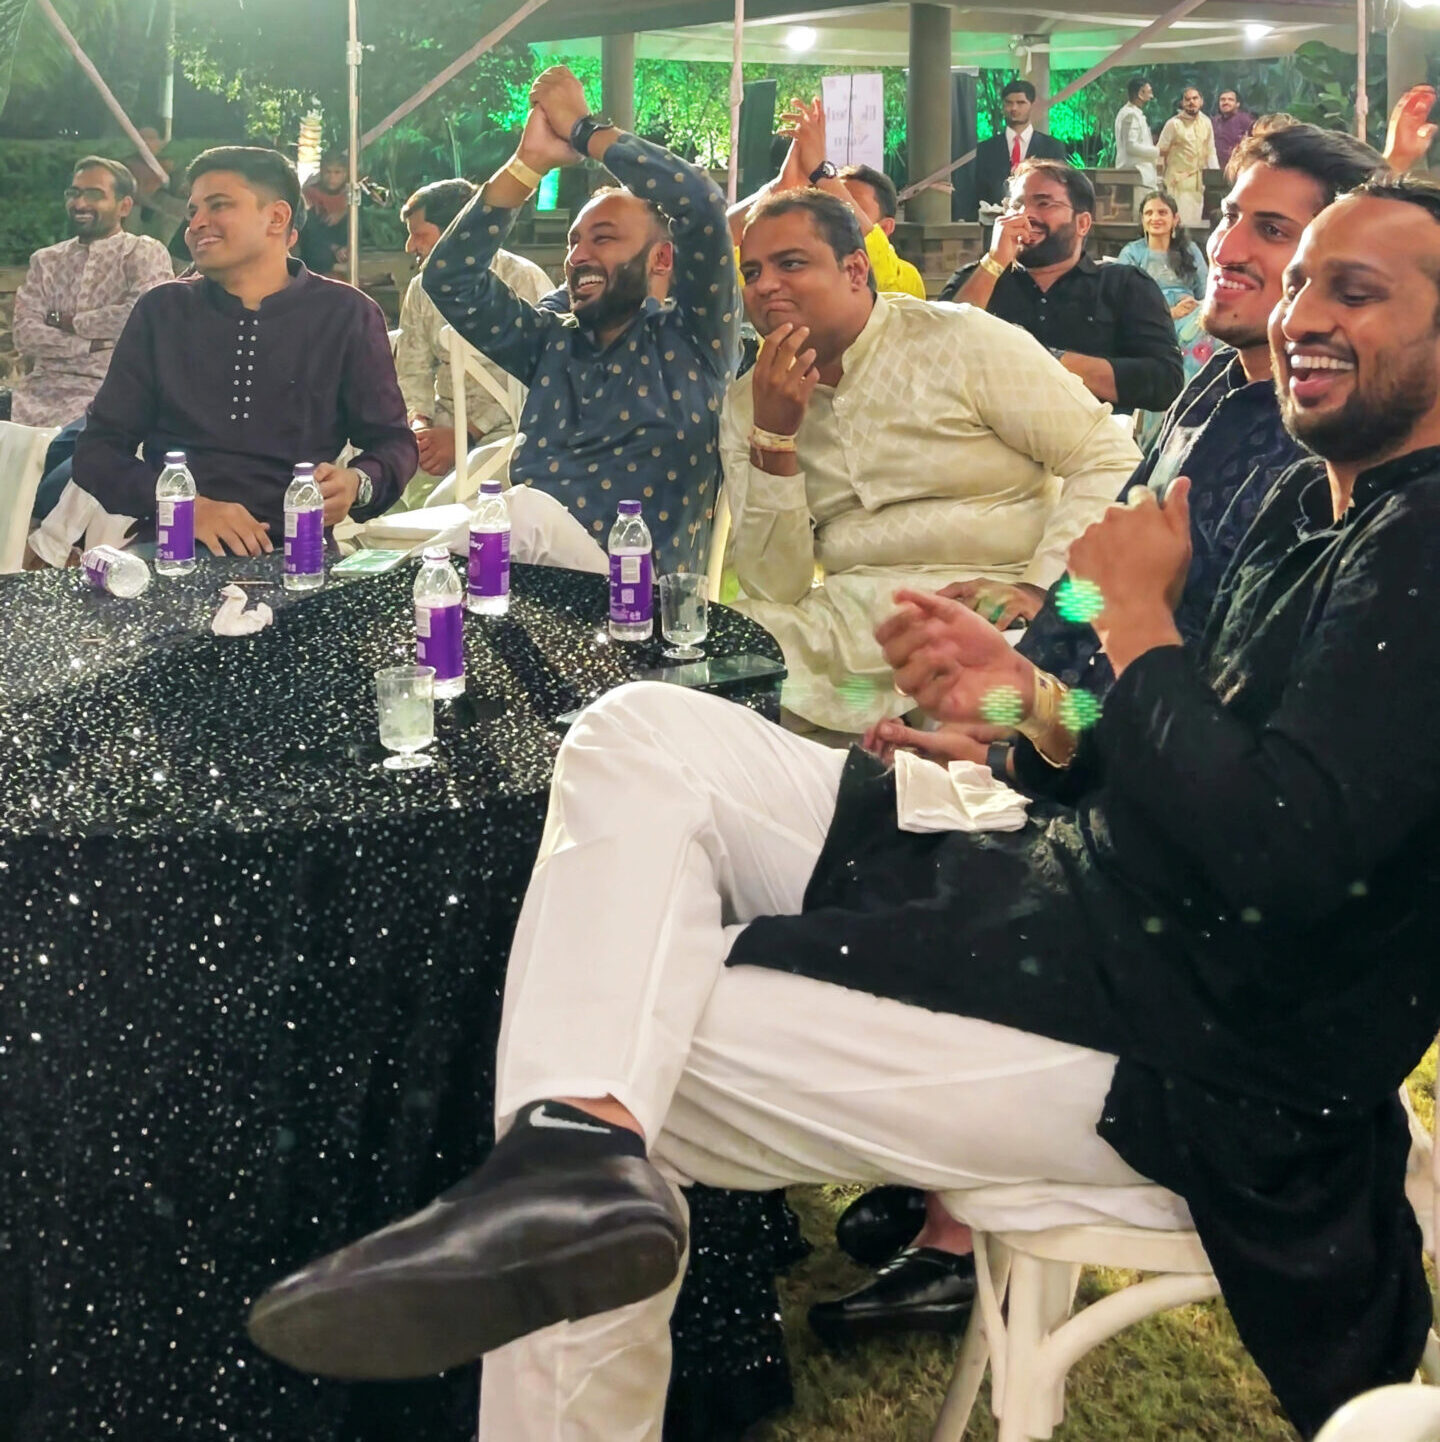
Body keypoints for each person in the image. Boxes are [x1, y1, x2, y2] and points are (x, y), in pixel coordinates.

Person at [249, 172, 1440, 1442]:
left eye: (1345, 285)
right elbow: (1131, 739)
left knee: (612, 1054)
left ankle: (568, 1166)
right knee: (638, 733)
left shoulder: (1414, 546)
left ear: (859, 266)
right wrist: (1033, 699)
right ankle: (570, 1155)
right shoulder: (1320, 501)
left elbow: (1284, 843)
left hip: (1193, 1045)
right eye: (1297, 271)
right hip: (1035, 841)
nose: (1299, 304)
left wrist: (1100, 618)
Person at [816, 118, 1393, 1347]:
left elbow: (1189, 708)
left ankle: (957, 1220)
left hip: (1148, 828)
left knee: (861, 849)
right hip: (1089, 730)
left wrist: (1011, 727)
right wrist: (1035, 627)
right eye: (1238, 223)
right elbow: (1108, 574)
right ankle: (937, 1168)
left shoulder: (1304, 463)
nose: (1234, 249)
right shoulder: (1208, 393)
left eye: (1277, 237)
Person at [721, 187, 1138, 734]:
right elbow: (776, 589)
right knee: (725, 659)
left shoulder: (960, 339)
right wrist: (774, 439)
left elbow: (1106, 457)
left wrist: (1042, 591)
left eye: (790, 264)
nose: (766, 285)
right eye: (752, 273)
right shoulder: (750, 403)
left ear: (854, 270)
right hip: (849, 626)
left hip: (996, 609)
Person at [419, 64, 739, 572]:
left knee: (513, 514)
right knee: (491, 531)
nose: (579, 255)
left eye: (603, 238)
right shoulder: (551, 342)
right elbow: (449, 279)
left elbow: (699, 201)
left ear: (661, 259)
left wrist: (584, 130)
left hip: (637, 599)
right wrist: (528, 164)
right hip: (527, 590)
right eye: (573, 242)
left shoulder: (695, 339)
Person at [28, 146, 415, 565]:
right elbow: (97, 452)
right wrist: (187, 510)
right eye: (194, 210)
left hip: (298, 555)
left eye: (219, 206)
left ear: (277, 218)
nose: (195, 224)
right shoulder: (163, 311)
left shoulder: (346, 314)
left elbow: (393, 443)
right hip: (172, 552)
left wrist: (358, 483)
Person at [939, 159, 1183, 416]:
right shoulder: (977, 278)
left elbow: (1166, 381)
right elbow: (936, 354)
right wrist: (994, 262)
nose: (1026, 215)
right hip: (983, 445)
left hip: (1090, 448)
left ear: (1083, 223)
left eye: (1043, 203)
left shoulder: (1124, 286)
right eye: (1015, 205)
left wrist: (1043, 360)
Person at [392, 178, 552, 507]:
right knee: (382, 493)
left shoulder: (524, 278)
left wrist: (468, 434)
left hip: (511, 433)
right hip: (441, 430)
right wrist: (420, 426)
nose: (410, 246)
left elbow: (542, 370)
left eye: (419, 234)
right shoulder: (421, 288)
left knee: (439, 508)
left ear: (456, 231)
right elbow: (412, 368)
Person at [10, 157, 173, 427]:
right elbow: (25, 335)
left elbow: (141, 316)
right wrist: (92, 345)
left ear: (124, 206)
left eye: (94, 195)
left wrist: (70, 322)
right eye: (74, 193)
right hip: (37, 391)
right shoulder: (46, 260)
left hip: (115, 388)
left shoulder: (142, 252)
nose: (80, 203)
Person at [727, 97, 926, 300]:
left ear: (885, 228)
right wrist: (780, 187)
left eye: (849, 205)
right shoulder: (774, 270)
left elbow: (883, 277)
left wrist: (822, 174)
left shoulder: (906, 278)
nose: (831, 214)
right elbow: (717, 247)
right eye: (823, 201)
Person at [1116, 190, 1210, 450]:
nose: (1155, 218)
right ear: (1142, 220)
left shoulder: (1190, 251)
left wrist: (1193, 308)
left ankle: (1197, 424)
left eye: (1162, 212)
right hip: (1151, 319)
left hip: (1192, 316)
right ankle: (1159, 435)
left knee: (1209, 335)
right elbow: (1124, 302)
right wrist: (1169, 313)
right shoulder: (1133, 253)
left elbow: (1206, 293)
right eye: (1149, 213)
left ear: (1175, 219)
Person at [975, 78, 1069, 209]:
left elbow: (1059, 188)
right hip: (994, 221)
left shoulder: (1052, 147)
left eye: (1020, 103)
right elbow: (977, 191)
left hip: (1038, 219)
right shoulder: (986, 149)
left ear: (1032, 105)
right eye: (1009, 103)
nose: (1014, 108)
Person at [1157, 87, 1219, 227]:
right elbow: (1160, 152)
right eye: (1188, 99)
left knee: (1194, 225)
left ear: (1201, 101)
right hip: (1177, 183)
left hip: (1198, 185)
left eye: (1195, 98)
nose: (1191, 102)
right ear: (1182, 103)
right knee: (1179, 225)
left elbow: (1210, 151)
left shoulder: (1206, 122)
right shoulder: (1173, 124)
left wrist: (1216, 177)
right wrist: (1158, 180)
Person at [298, 152, 349, 277]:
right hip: (318, 245)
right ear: (321, 171)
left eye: (337, 173)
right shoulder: (310, 192)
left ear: (346, 173)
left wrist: (343, 212)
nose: (332, 178)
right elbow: (310, 230)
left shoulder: (350, 194)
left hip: (345, 242)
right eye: (328, 172)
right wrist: (333, 248)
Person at [1114, 76, 1158, 188]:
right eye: (1149, 92)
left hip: (1138, 175)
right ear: (1140, 93)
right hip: (1136, 173)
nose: (1151, 96)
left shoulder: (1132, 113)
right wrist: (1157, 151)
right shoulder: (1130, 115)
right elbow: (1131, 146)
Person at [1211, 89, 1255, 170]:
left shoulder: (1245, 120)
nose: (1226, 102)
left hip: (1239, 169)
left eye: (1230, 100)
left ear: (1237, 104)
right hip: (1217, 168)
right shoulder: (1214, 122)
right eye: (1222, 100)